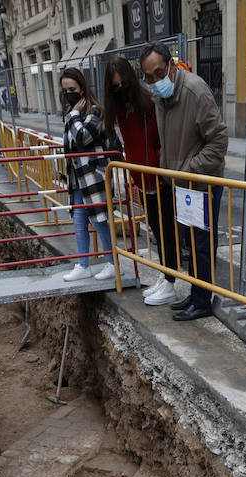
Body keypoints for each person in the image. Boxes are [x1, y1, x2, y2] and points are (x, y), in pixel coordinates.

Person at [139, 43, 228, 322]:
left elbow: (219, 141)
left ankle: (202, 300)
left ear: (172, 67)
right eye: (149, 77)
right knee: (190, 241)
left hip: (201, 184)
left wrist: (188, 170)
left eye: (159, 73)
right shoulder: (160, 98)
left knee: (202, 243)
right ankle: (196, 294)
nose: (155, 81)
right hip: (182, 184)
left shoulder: (195, 91)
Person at [103, 56, 180, 306]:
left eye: (123, 83)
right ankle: (165, 275)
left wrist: (158, 164)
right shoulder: (121, 109)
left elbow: (163, 140)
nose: (120, 89)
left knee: (166, 230)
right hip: (142, 179)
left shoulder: (148, 103)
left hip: (159, 177)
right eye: (115, 86)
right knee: (157, 230)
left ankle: (170, 280)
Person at [58, 66, 115, 282]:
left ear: (82, 88)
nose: (68, 94)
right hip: (77, 178)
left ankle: (112, 263)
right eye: (65, 91)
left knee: (99, 220)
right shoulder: (70, 115)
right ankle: (83, 265)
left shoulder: (95, 112)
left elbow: (83, 138)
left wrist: (73, 116)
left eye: (72, 89)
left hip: (93, 177)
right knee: (79, 221)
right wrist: (72, 116)